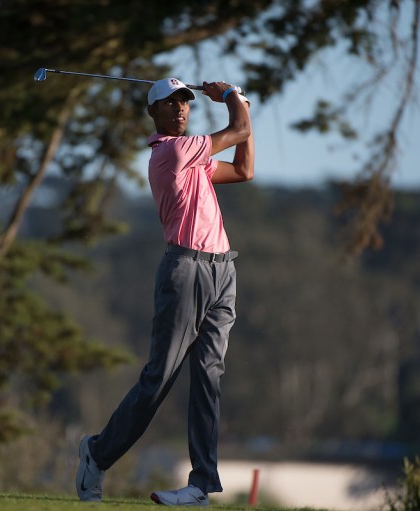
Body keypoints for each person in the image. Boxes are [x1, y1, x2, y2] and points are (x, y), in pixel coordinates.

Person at [76, 77, 254, 507]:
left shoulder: (194, 159)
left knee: (209, 378)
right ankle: (96, 455)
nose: (180, 109)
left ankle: (200, 486)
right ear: (152, 113)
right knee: (159, 380)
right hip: (185, 269)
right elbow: (238, 131)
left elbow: (245, 169)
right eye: (169, 103)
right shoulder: (171, 151)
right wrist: (232, 97)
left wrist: (241, 106)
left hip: (223, 271)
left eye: (185, 102)